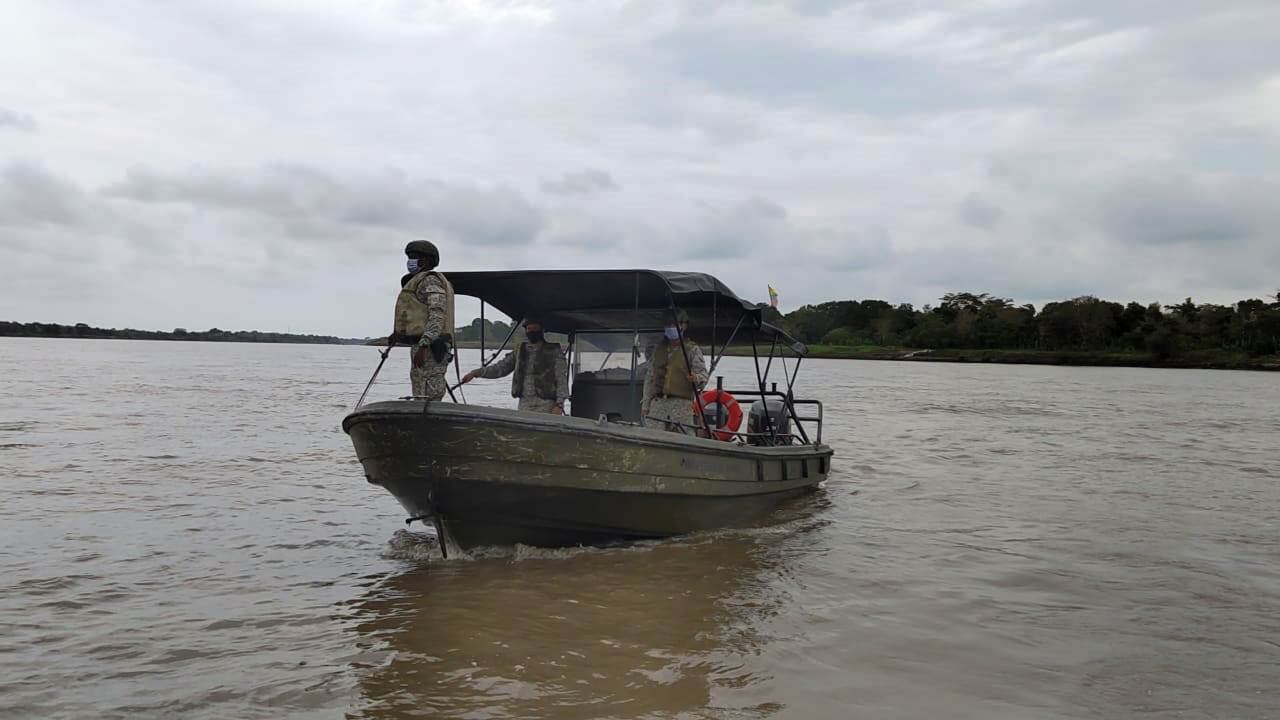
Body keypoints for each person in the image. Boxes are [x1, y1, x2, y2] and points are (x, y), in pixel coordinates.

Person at [459, 315, 568, 415]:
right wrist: (475, 373)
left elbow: (561, 379)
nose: (532, 332)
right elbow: (500, 368)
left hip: (547, 404)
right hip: (524, 404)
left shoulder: (554, 351)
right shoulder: (519, 351)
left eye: (535, 329)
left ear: (542, 330)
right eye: (529, 329)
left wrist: (559, 404)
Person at [390, 240, 454, 400]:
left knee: (429, 393)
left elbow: (437, 313)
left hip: (431, 347)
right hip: (424, 345)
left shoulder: (430, 281)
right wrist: (399, 335)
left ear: (426, 260)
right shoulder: (420, 280)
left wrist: (425, 344)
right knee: (420, 389)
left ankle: (430, 421)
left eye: (414, 257)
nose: (410, 261)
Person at [641, 309, 709, 432]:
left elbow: (703, 377)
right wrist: (646, 404)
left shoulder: (692, 349)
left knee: (684, 438)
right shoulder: (657, 349)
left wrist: (696, 378)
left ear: (684, 326)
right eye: (668, 325)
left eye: (674, 324)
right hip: (658, 404)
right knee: (652, 437)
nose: (670, 328)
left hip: (682, 405)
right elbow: (649, 378)